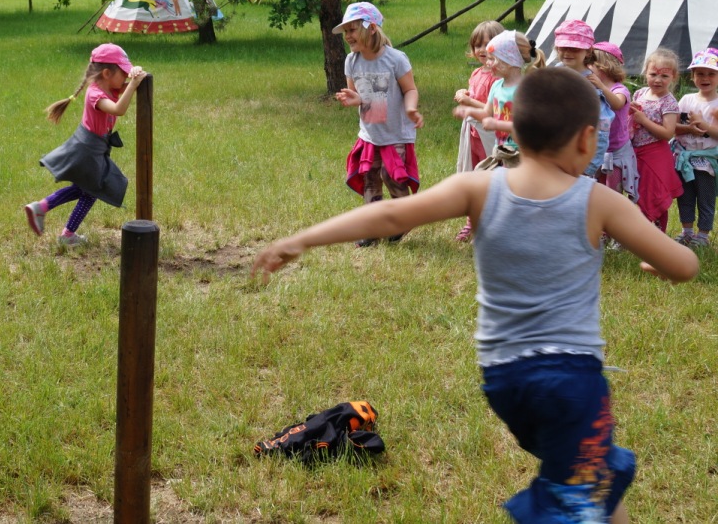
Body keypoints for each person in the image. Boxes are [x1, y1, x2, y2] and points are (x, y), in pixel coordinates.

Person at [253, 68, 699, 524]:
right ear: (587, 140)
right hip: (568, 382)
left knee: (593, 481)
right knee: (580, 500)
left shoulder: (479, 187)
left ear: (514, 130)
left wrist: (302, 239)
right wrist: (659, 263)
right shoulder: (599, 201)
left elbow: (390, 215)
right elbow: (685, 266)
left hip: (504, 380)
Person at [24, 43, 147, 247]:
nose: (126, 77)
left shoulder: (109, 87)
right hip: (88, 149)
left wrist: (136, 73)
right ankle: (61, 228)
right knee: (92, 190)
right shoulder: (95, 94)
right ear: (106, 73)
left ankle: (45, 210)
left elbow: (128, 86)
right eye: (123, 73)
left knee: (86, 189)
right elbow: (118, 109)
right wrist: (133, 84)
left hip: (93, 148)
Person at [333, 2, 423, 247]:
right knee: (370, 177)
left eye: (352, 29)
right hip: (370, 133)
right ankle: (372, 228)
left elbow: (410, 89)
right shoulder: (351, 61)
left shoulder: (395, 59)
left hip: (395, 133)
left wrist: (411, 109)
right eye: (345, 31)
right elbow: (358, 95)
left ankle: (405, 218)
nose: (347, 36)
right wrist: (354, 99)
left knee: (391, 176)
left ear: (371, 28)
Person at [453, 29, 544, 174]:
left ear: (509, 61)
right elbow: (486, 113)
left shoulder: (524, 90)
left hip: (521, 154)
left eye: (492, 59)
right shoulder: (497, 86)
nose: (488, 63)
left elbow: (526, 127)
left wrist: (496, 124)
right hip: (501, 151)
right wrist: (469, 111)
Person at [453, 21, 505, 241]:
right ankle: (472, 221)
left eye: (488, 44)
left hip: (489, 135)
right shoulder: (476, 72)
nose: (482, 49)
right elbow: (473, 93)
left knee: (489, 178)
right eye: (477, 45)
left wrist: (468, 101)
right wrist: (464, 92)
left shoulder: (499, 77)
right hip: (473, 134)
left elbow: (492, 110)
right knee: (473, 176)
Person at [630, 47, 683, 232]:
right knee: (637, 192)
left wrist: (644, 120)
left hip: (655, 154)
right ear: (646, 72)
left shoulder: (669, 102)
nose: (658, 80)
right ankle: (634, 231)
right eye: (653, 74)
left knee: (653, 193)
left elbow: (668, 133)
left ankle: (653, 234)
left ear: (674, 77)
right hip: (636, 151)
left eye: (664, 76)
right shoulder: (640, 94)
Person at [553, 20, 613, 178]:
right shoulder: (556, 73)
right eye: (563, 47)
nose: (567, 52)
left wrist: (588, 167)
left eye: (574, 48)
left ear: (588, 51)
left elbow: (602, 127)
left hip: (577, 160)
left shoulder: (590, 85)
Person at [673, 47, 718, 247]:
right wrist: (689, 128)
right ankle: (687, 231)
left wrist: (703, 125)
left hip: (706, 160)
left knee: (706, 198)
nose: (705, 78)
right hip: (685, 158)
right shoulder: (686, 100)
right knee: (685, 196)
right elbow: (674, 127)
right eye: (700, 73)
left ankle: (703, 235)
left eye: (711, 74)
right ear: (692, 76)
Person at [588, 42, 639, 207]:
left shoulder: (620, 89)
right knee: (595, 189)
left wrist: (601, 86)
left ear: (604, 66)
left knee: (613, 191)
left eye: (591, 63)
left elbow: (617, 103)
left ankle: (612, 218)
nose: (587, 67)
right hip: (598, 148)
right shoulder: (591, 88)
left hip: (616, 151)